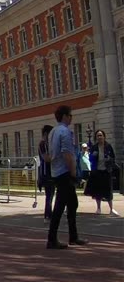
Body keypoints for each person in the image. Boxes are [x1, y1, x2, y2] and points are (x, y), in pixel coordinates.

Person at [47, 105, 88, 249]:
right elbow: (68, 154)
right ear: (65, 116)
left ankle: (73, 236)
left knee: (72, 203)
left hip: (56, 171)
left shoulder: (53, 131)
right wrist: (73, 173)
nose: (71, 118)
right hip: (64, 172)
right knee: (60, 205)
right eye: (70, 115)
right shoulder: (65, 132)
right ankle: (52, 239)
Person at [85, 129, 118, 216]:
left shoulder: (108, 146)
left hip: (106, 171)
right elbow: (90, 159)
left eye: (101, 135)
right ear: (96, 138)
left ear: (104, 136)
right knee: (98, 191)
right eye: (98, 136)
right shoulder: (94, 147)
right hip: (97, 171)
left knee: (108, 190)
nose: (99, 137)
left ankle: (111, 209)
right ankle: (98, 208)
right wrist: (93, 156)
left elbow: (113, 158)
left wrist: (109, 159)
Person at [37, 125, 55, 221]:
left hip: (52, 171)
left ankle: (48, 213)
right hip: (46, 172)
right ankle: (48, 215)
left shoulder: (49, 144)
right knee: (49, 194)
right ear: (45, 134)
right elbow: (46, 158)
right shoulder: (43, 144)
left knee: (51, 194)